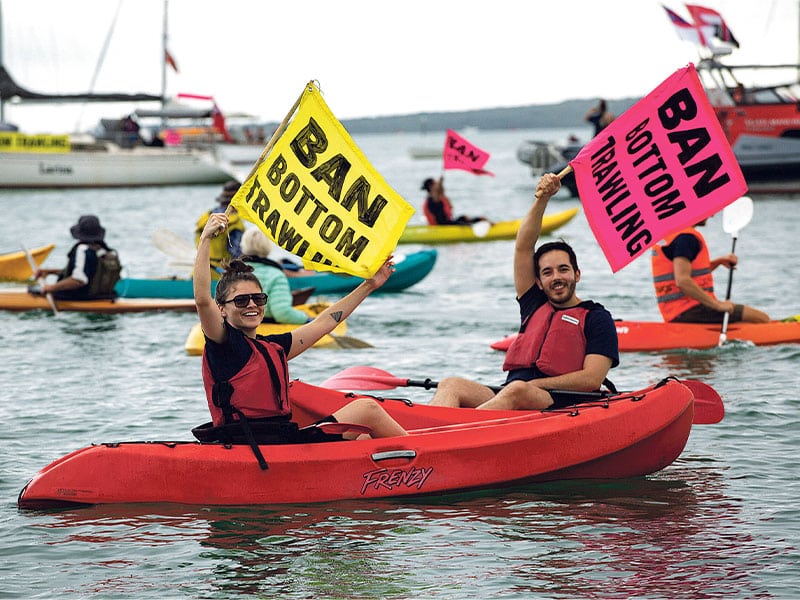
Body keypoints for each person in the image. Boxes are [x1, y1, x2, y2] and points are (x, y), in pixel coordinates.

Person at [194, 211, 408, 441]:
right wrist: (206, 238)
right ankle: (428, 460)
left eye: (258, 299)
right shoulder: (223, 344)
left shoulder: (274, 348)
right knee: (368, 409)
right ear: (222, 309)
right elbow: (202, 300)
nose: (251, 305)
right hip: (254, 445)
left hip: (282, 440)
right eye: (241, 300)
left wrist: (369, 285)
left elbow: (326, 322)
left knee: (365, 438)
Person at [429, 173, 619, 410]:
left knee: (518, 389)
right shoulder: (534, 303)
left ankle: (452, 437)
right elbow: (523, 246)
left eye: (563, 269)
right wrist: (542, 199)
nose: (557, 277)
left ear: (577, 274)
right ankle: (432, 434)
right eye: (548, 272)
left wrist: (537, 385)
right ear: (538, 281)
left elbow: (592, 379)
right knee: (450, 384)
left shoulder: (597, 318)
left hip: (560, 403)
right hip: (511, 397)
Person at [651, 220, 770, 324]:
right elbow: (682, 281)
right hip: (691, 309)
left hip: (675, 312)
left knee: (747, 319)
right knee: (762, 318)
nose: (712, 215)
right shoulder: (686, 238)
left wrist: (717, 262)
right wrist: (717, 306)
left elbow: (686, 272)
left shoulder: (671, 234)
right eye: (708, 210)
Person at [28, 214, 121, 300]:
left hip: (82, 297)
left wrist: (50, 288)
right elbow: (86, 273)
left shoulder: (82, 249)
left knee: (31, 290)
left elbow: (79, 280)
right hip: (105, 296)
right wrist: (49, 272)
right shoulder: (102, 250)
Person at [239, 228, 310, 325]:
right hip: (263, 329)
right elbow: (282, 313)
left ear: (243, 245)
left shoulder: (232, 272)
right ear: (267, 246)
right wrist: (306, 318)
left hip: (236, 328)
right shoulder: (276, 275)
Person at [195, 180, 246, 278]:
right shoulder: (234, 223)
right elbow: (237, 254)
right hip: (221, 276)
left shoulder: (206, 218)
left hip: (199, 273)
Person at [421, 177, 487, 225]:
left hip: (448, 222)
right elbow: (437, 192)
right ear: (431, 187)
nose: (437, 184)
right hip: (442, 226)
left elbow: (441, 192)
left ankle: (484, 222)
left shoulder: (439, 197)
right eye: (435, 183)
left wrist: (440, 183)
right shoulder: (432, 200)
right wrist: (440, 182)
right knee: (466, 224)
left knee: (464, 218)